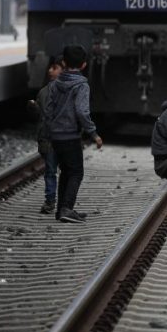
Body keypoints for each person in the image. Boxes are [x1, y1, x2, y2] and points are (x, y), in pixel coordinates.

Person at [44, 44, 102, 222]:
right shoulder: (81, 85)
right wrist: (94, 133)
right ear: (84, 65)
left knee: (66, 172)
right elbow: (82, 112)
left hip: (56, 136)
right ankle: (67, 208)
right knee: (76, 172)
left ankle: (61, 209)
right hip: (70, 135)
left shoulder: (55, 84)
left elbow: (48, 108)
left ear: (63, 62)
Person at [29, 56, 63, 214]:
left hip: (59, 139)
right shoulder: (43, 92)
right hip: (52, 139)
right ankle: (51, 201)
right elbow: (40, 116)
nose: (50, 70)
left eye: (55, 67)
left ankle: (59, 201)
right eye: (50, 67)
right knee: (51, 171)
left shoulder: (69, 90)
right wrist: (33, 108)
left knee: (53, 171)